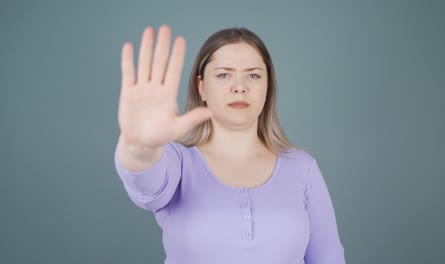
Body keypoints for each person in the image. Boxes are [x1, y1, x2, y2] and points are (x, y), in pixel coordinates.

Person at [114, 24, 346, 264]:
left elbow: (329, 259)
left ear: (268, 87)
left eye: (253, 75)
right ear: (202, 87)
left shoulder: (302, 168)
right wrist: (138, 145)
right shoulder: (177, 161)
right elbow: (144, 180)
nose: (239, 87)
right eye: (224, 74)